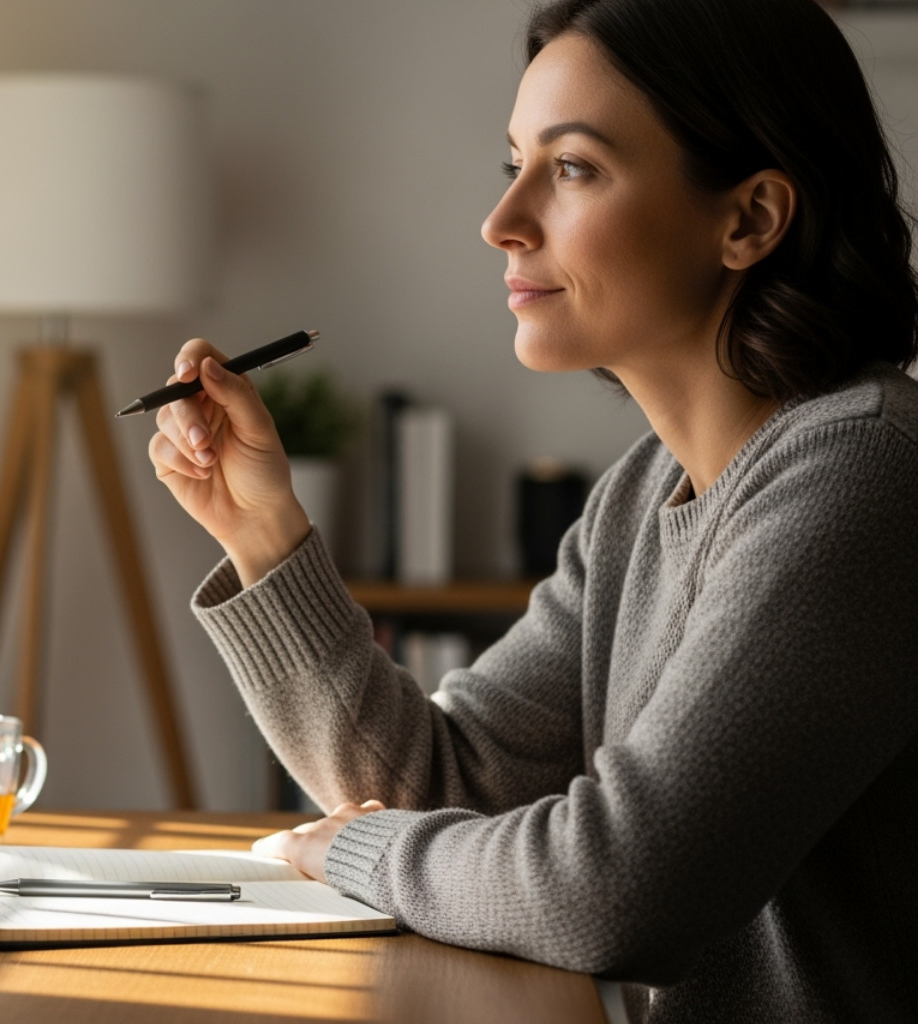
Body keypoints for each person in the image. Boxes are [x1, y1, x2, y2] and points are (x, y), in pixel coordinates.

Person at [146, 0, 918, 1020]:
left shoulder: (868, 472)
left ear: (750, 220)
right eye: (512, 162)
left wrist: (360, 851)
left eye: (573, 168)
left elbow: (620, 888)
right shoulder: (639, 496)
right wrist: (262, 533)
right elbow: (443, 782)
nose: (501, 220)